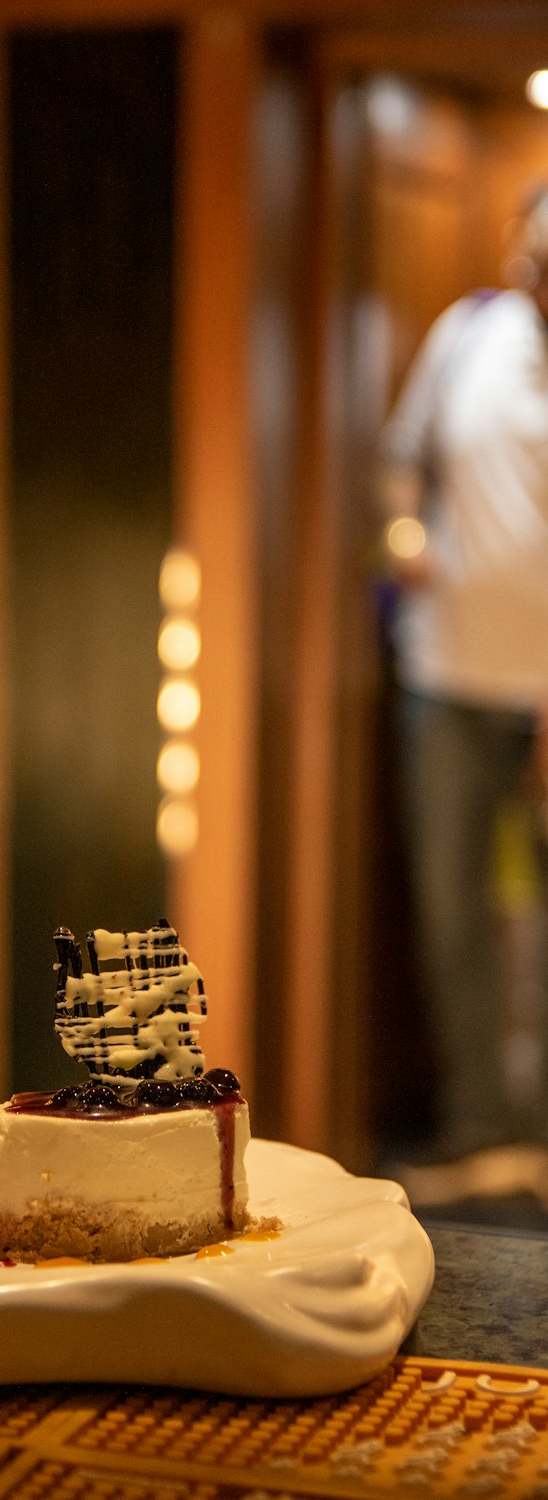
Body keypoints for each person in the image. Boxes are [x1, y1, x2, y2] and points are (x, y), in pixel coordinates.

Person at [378, 188, 548, 1168]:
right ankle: (477, 1119)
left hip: (540, 697)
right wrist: (402, 531)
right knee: (452, 904)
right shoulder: (464, 335)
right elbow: (401, 457)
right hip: (445, 674)